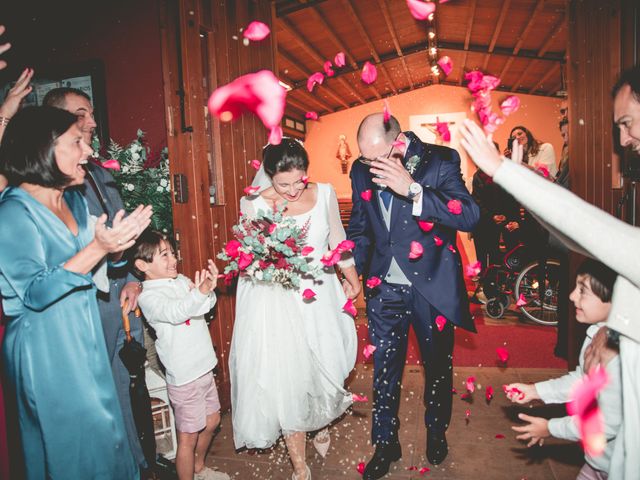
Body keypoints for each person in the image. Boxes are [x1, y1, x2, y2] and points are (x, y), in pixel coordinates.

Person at [459, 64, 640, 480]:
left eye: (627, 123)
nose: (624, 140)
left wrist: (504, 170)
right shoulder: (598, 336)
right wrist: (540, 392)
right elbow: (579, 239)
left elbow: (596, 233)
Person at [0, 106, 152, 479]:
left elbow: (96, 271)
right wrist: (98, 249)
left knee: (106, 432)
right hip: (46, 348)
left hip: (85, 334)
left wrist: (117, 245)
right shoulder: (11, 213)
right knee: (70, 447)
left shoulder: (70, 201)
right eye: (77, 142)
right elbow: (34, 292)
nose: (87, 151)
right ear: (43, 150)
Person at [347, 113, 479, 479]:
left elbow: (469, 216)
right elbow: (360, 227)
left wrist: (414, 190)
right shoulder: (360, 171)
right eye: (364, 158)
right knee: (384, 372)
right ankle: (386, 443)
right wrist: (351, 272)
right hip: (383, 290)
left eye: (376, 157)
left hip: (431, 289)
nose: (369, 165)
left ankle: (436, 432)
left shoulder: (441, 160)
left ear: (398, 141)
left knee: (437, 369)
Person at [229, 138, 360, 480]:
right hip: (279, 300)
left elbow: (337, 240)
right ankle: (299, 465)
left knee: (327, 363)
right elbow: (251, 256)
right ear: (268, 174)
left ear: (307, 172)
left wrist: (352, 277)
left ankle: (319, 420)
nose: (290, 190)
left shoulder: (326, 193)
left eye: (298, 181)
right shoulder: (253, 203)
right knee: (288, 375)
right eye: (281, 183)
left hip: (321, 295)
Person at [42, 87, 152, 470]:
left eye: (90, 114)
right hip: (86, 301)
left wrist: (134, 280)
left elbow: (123, 238)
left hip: (122, 293)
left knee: (126, 382)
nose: (91, 123)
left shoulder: (98, 176)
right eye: (80, 115)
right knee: (98, 396)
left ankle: (138, 462)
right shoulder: (54, 190)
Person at [506, 259, 620, 480]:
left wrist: (551, 428)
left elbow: (606, 422)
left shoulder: (621, 358)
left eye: (582, 291)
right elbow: (582, 381)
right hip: (597, 462)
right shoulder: (596, 334)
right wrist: (535, 391)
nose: (571, 296)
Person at [133, 230, 229, 480]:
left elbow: (204, 307)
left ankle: (199, 468)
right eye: (163, 255)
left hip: (204, 366)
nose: (172, 259)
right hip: (184, 375)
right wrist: (198, 294)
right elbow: (176, 312)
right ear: (142, 265)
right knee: (188, 437)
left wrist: (208, 291)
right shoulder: (149, 296)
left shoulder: (181, 279)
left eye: (172, 253)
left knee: (212, 421)